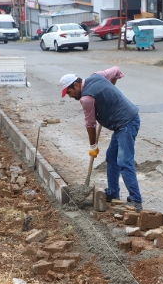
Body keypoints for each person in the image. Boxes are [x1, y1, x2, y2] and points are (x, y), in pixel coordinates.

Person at [60, 67, 143, 211]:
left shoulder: (86, 99)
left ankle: (136, 200)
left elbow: (90, 124)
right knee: (111, 157)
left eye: (69, 92)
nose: (69, 96)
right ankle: (112, 192)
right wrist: (109, 88)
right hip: (120, 125)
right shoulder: (97, 76)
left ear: (76, 85)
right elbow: (116, 71)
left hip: (127, 123)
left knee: (124, 161)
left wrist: (93, 146)